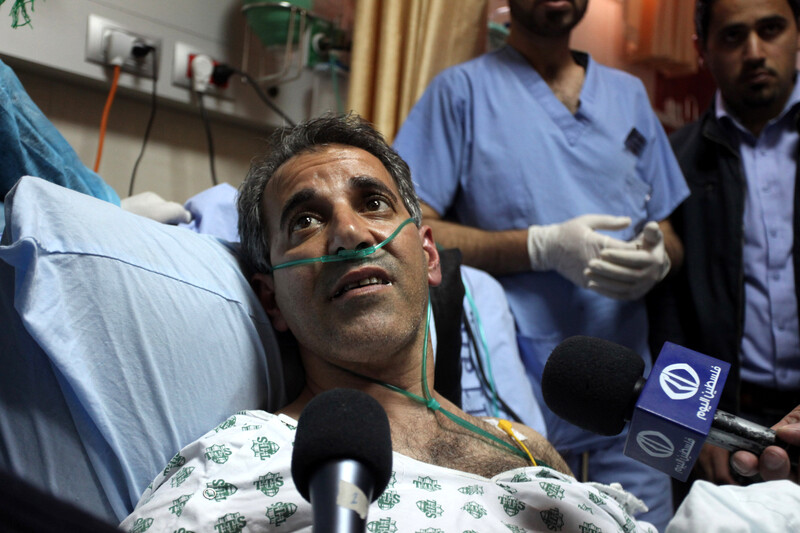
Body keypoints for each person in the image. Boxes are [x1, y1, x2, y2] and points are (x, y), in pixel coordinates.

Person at [119, 114, 659, 532]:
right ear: (272, 300)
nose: (349, 232)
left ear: (428, 256)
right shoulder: (237, 459)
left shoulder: (524, 449)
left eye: (373, 202)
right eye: (305, 221)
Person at [392, 1, 689, 528]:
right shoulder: (460, 93)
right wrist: (538, 246)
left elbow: (669, 229)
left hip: (639, 399)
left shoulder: (629, 96)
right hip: (515, 408)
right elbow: (411, 231)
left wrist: (658, 257)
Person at [663, 0, 800, 487]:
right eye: (733, 36)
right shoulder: (675, 162)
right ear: (704, 50)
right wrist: (691, 425)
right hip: (730, 422)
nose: (755, 51)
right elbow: (671, 307)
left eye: (771, 29)